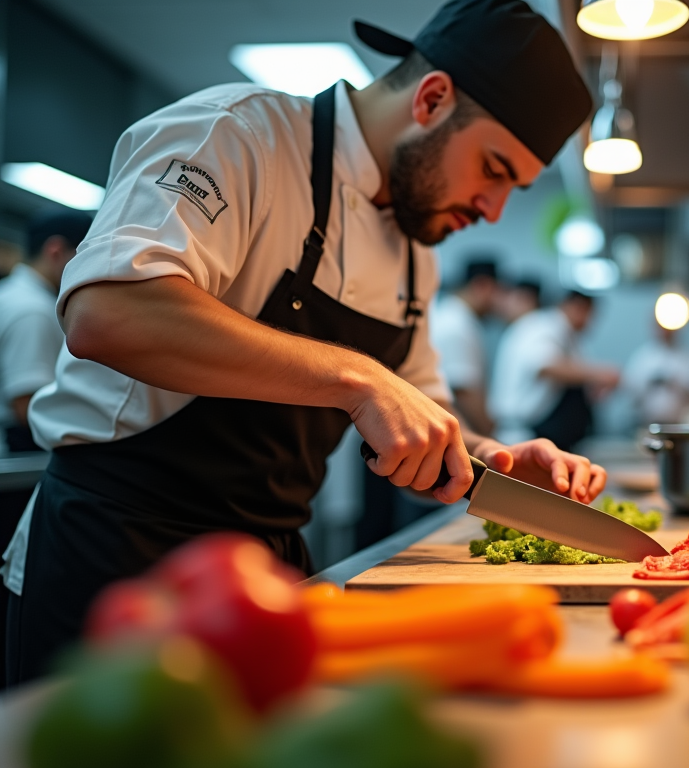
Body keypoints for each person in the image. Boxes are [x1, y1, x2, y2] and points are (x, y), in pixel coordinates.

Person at [3, 0, 604, 686]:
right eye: (494, 170)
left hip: (269, 576)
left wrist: (490, 458)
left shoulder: (416, 252)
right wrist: (356, 377)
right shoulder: (238, 136)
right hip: (116, 570)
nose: (494, 210)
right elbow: (108, 313)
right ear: (433, 99)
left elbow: (421, 408)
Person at [0, 211, 92, 689]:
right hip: (19, 465)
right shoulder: (33, 308)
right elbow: (25, 403)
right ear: (57, 250)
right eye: (84, 255)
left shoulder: (13, 297)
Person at [489, 290, 620, 450]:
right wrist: (598, 374)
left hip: (536, 434)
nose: (589, 323)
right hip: (521, 435)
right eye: (589, 315)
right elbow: (545, 365)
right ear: (578, 307)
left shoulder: (567, 335)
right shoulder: (545, 326)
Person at [429, 258, 499, 436]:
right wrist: (490, 435)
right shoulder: (457, 324)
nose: (498, 302)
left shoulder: (449, 314)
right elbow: (464, 391)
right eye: (498, 291)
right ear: (482, 285)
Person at [622, 324, 689, 427]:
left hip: (681, 426)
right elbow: (631, 396)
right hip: (648, 424)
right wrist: (651, 384)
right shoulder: (642, 358)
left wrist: (675, 384)